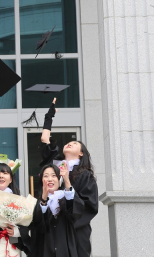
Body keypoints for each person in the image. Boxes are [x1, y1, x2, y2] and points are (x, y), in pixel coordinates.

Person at [39, 98, 98, 257]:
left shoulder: (85, 175)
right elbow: (45, 140)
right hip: (55, 229)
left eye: (74, 143)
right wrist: (49, 117)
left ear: (81, 153)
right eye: (69, 142)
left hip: (75, 230)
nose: (69, 144)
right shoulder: (55, 167)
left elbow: (90, 205)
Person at [29, 164, 81, 257]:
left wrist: (67, 181)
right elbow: (39, 226)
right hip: (45, 249)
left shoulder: (66, 197)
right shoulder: (36, 203)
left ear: (59, 179)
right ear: (41, 181)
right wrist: (44, 200)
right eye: (46, 176)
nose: (50, 179)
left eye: (54, 176)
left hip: (65, 248)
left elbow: (74, 214)